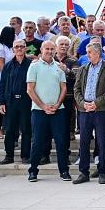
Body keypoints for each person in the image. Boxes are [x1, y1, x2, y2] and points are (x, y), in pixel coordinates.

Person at [25, 41, 70, 182]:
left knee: (61, 142)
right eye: (47, 49)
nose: (50, 51)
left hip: (58, 110)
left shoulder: (59, 67)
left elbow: (63, 88)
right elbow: (30, 89)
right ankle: (33, 171)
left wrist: (57, 104)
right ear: (42, 49)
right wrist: (43, 106)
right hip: (39, 110)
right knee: (38, 142)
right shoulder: (34, 66)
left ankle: (64, 171)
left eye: (52, 49)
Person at [72, 42, 105, 184]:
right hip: (84, 110)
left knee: (102, 142)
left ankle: (102, 172)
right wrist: (82, 103)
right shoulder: (83, 68)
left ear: (97, 53)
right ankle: (83, 172)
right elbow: (76, 89)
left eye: (89, 52)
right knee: (83, 142)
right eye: (87, 52)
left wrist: (96, 103)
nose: (87, 55)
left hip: (101, 110)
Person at [0, 40, 33, 165]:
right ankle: (9, 156)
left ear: (25, 49)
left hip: (26, 102)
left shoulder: (31, 65)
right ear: (13, 49)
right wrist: (1, 102)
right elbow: (2, 84)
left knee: (26, 129)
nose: (19, 49)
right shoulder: (7, 66)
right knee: (10, 130)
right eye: (16, 47)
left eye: (21, 47)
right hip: (10, 102)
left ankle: (25, 156)